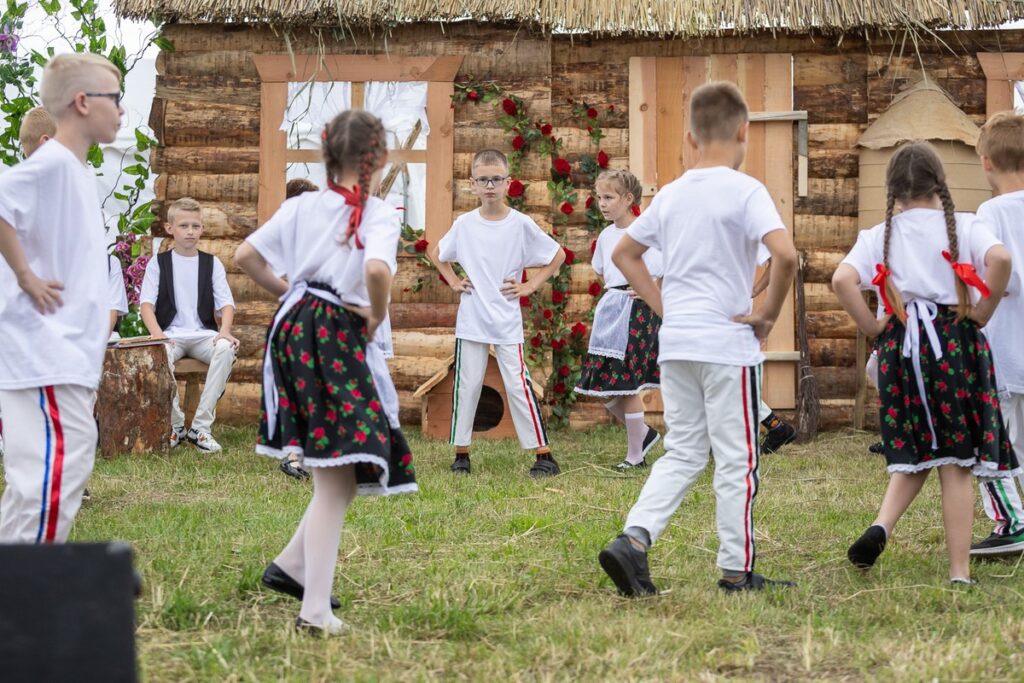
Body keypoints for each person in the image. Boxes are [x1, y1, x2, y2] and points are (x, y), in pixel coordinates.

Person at [597, 81, 798, 595]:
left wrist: (665, 309)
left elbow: (624, 255)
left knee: (684, 451)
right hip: (727, 347)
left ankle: (634, 539)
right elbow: (785, 255)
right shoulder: (746, 190)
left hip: (678, 344)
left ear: (691, 137)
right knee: (737, 459)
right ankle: (736, 571)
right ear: (744, 131)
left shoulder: (671, 194)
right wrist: (767, 315)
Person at [234, 109, 417, 636]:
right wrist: (375, 315)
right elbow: (376, 270)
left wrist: (293, 292)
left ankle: (291, 566)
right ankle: (313, 610)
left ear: (327, 152)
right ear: (379, 158)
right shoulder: (377, 213)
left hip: (293, 329)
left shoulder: (302, 206)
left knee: (339, 465)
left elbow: (245, 255)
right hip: (333, 334)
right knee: (338, 473)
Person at [834, 142, 1015, 584]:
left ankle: (881, 526)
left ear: (892, 189)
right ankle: (958, 572)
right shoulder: (966, 225)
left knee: (918, 449)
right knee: (956, 466)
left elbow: (841, 279)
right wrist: (983, 312)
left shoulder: (878, 235)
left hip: (901, 351)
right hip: (954, 346)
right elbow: (1001, 259)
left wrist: (873, 327)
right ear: (940, 183)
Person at [0, 53, 123, 542]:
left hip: (65, 355)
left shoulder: (73, 170)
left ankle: (16, 574)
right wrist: (26, 276)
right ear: (82, 102)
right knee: (55, 475)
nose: (121, 111)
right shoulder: (50, 163)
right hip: (45, 350)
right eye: (115, 98)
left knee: (44, 478)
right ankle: (34, 580)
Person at [428, 149, 566, 477]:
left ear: (507, 182)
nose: (490, 186)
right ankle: (461, 454)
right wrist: (453, 281)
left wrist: (530, 285)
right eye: (483, 180)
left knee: (518, 384)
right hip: (472, 317)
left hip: (506, 318)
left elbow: (557, 255)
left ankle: (543, 455)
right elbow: (437, 253)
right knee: (467, 384)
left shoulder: (520, 224)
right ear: (473, 184)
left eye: (496, 179)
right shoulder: (465, 224)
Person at [574, 169, 662, 470]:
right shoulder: (605, 236)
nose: (602, 203)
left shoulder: (643, 232)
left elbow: (663, 270)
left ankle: (635, 455)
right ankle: (645, 434)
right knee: (604, 384)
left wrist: (648, 290)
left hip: (637, 312)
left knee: (626, 384)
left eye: (609, 197)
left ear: (628, 199)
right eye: (600, 197)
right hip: (611, 309)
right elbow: (603, 272)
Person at [140, 197, 238, 453]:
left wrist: (224, 331)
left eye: (195, 226)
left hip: (203, 335)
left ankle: (200, 428)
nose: (190, 231)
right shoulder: (158, 263)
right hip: (170, 335)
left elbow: (226, 303)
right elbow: (146, 304)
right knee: (158, 353)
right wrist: (157, 334)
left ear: (202, 229)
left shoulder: (211, 263)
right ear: (170, 228)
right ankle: (176, 426)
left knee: (226, 348)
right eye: (184, 226)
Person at [970, 111, 1024, 556]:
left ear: (986, 162)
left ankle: (1012, 523)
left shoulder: (989, 213)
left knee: (992, 440)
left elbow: (990, 269)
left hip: (1003, 349)